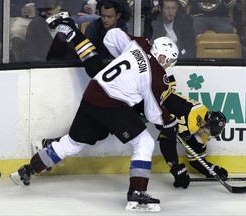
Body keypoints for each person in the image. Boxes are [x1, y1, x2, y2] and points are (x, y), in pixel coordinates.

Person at [11, 11, 180, 212]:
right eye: (168, 61)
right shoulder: (156, 73)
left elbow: (112, 37)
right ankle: (137, 194)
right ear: (161, 56)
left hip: (93, 94)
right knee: (144, 141)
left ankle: (29, 169)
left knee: (73, 143)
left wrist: (130, 62)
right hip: (111, 103)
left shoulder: (139, 44)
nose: (168, 66)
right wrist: (169, 123)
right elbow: (154, 114)